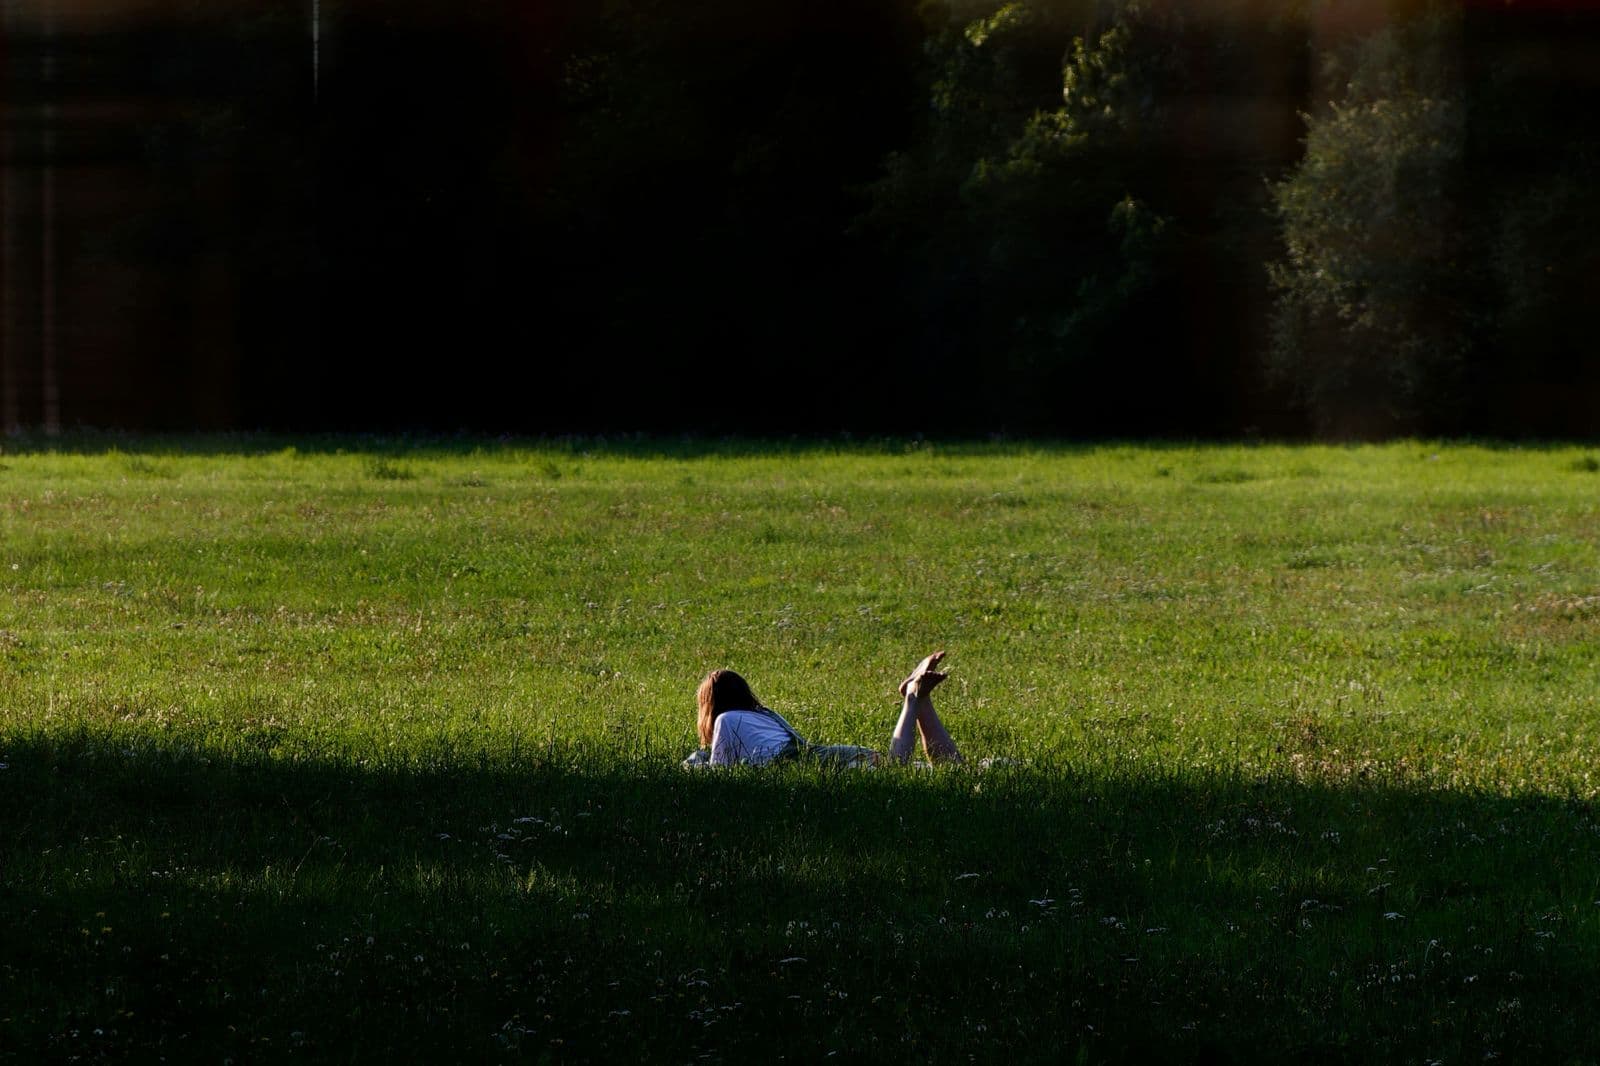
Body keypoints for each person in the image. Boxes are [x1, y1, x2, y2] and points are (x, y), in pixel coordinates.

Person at [684, 651, 963, 768]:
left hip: (819, 763)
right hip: (825, 753)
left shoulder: (725, 720)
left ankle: (912, 700)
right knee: (947, 770)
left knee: (896, 766)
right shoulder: (763, 714)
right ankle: (921, 700)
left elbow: (721, 775)